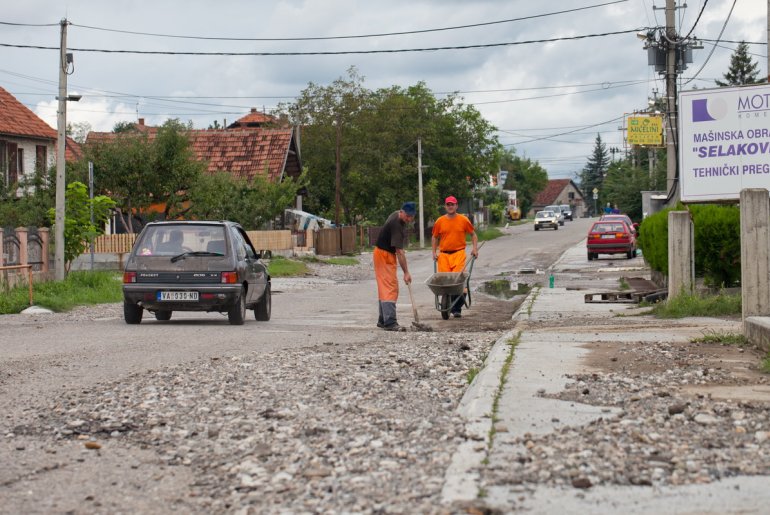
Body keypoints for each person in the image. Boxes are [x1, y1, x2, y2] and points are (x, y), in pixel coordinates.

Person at [431, 195, 479, 318]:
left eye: (452, 204)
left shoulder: (463, 220)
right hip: (444, 256)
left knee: (458, 282)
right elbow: (435, 237)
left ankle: (457, 309)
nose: (450, 206)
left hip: (458, 254)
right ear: (445, 206)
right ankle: (447, 304)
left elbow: (473, 235)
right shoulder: (440, 221)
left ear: (456, 206)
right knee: (445, 283)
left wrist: (474, 249)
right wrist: (434, 252)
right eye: (448, 204)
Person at [373, 202, 415, 331]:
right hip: (384, 255)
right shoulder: (397, 225)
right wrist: (406, 272)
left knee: (385, 286)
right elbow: (400, 252)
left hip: (382, 253)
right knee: (390, 287)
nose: (408, 219)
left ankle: (383, 320)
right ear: (401, 212)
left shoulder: (396, 215)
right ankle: (390, 322)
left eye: (411, 217)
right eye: (407, 216)